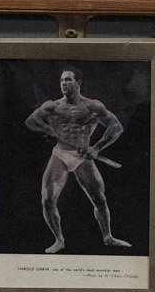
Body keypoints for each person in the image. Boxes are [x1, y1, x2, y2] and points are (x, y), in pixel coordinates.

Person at [24, 67, 129, 254]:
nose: (63, 83)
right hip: (60, 154)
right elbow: (30, 121)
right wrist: (47, 130)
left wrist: (96, 148)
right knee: (47, 199)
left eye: (68, 80)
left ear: (78, 83)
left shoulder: (92, 106)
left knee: (100, 199)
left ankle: (108, 237)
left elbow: (116, 127)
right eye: (61, 80)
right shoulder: (53, 106)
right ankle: (59, 240)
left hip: (82, 157)